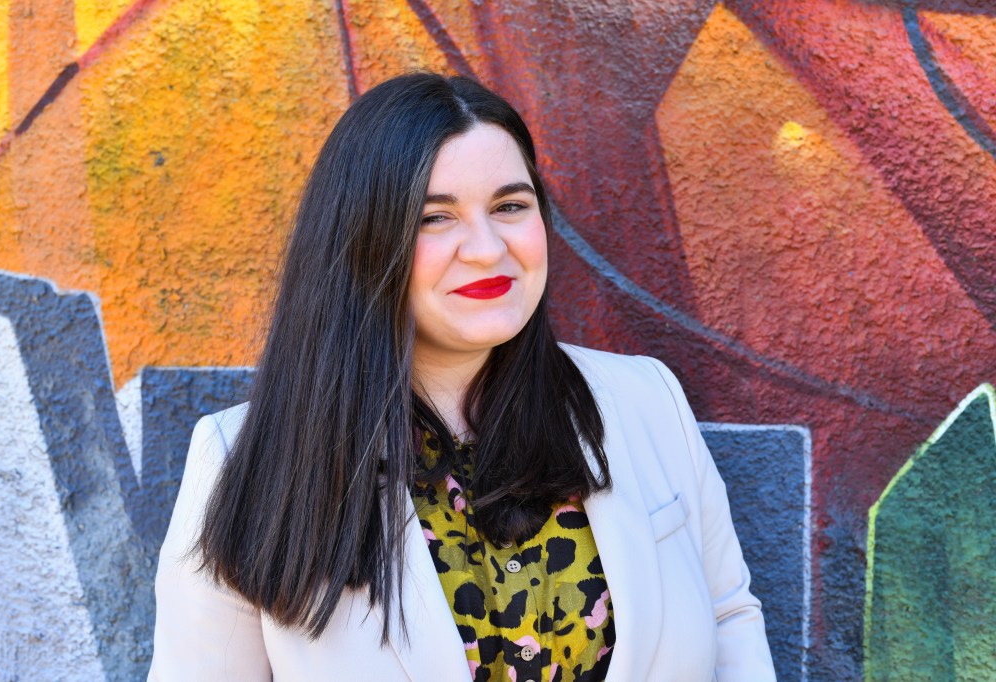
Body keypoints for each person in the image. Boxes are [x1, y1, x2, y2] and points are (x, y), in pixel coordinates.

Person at [149, 72, 775, 681]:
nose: (486, 248)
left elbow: (729, 618)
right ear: (363, 242)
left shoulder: (647, 401)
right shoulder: (243, 460)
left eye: (510, 205)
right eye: (435, 217)